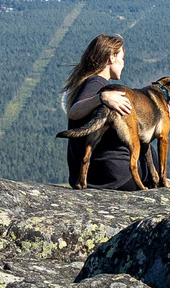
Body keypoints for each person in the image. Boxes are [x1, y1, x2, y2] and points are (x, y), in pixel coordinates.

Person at [61, 33, 142, 189]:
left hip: (94, 177)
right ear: (111, 58)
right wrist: (101, 97)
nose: (124, 64)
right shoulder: (96, 84)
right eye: (122, 58)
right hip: (114, 178)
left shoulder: (91, 83)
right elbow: (74, 111)